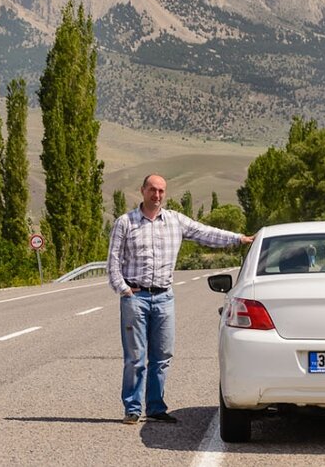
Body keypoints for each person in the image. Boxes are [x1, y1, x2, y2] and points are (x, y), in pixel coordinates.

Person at [107, 174, 253, 425]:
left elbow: (206, 233)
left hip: (164, 297)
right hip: (136, 297)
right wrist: (124, 290)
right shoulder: (126, 223)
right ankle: (132, 407)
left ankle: (155, 407)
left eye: (161, 191)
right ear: (142, 191)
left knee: (162, 355)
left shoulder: (175, 221)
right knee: (136, 356)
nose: (157, 195)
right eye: (152, 190)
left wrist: (239, 239)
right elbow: (113, 262)